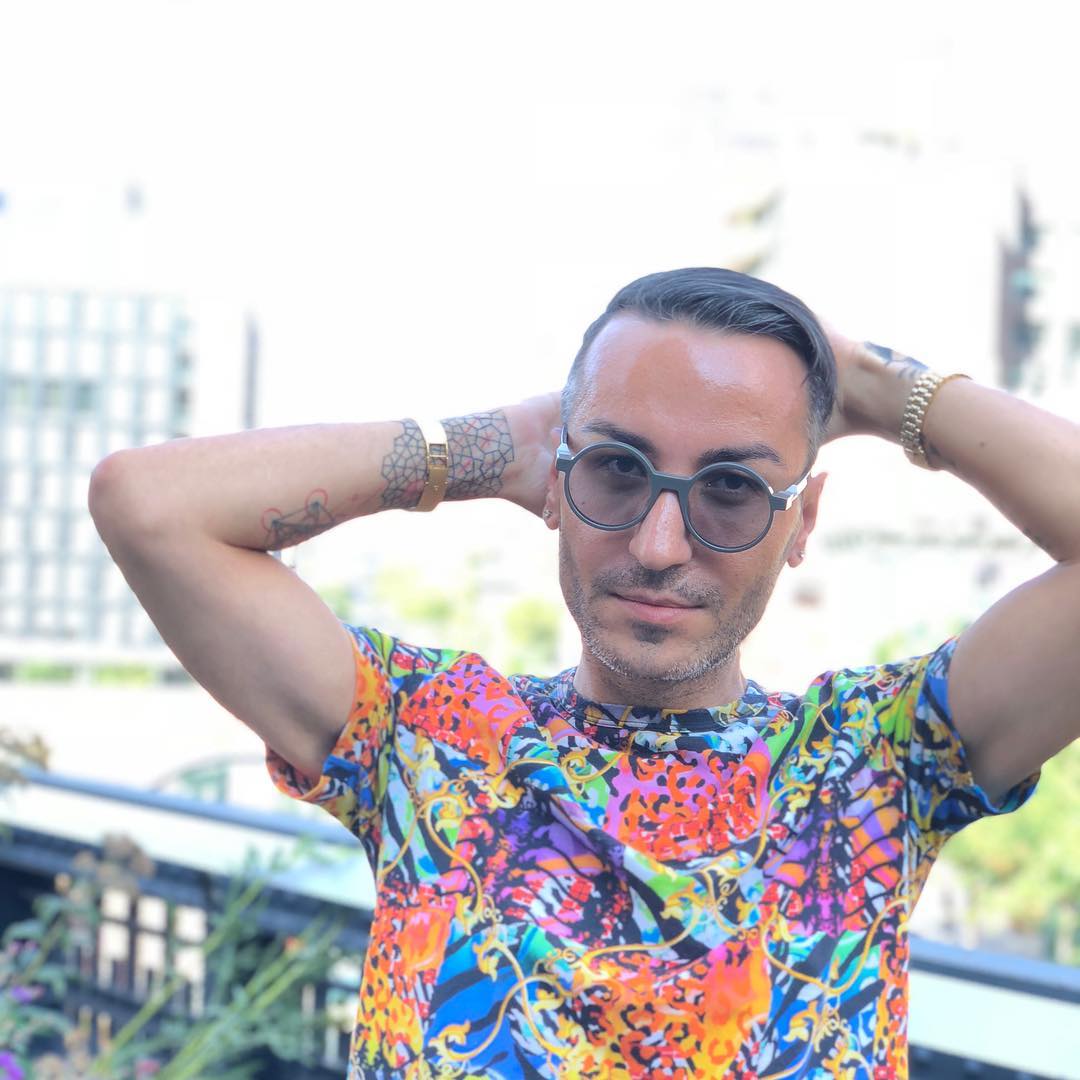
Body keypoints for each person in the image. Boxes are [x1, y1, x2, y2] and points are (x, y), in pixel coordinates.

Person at [89, 268, 1079, 1079]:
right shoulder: (430, 735)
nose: (658, 544)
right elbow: (149, 505)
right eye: (617, 470)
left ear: (801, 521)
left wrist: (874, 384)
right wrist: (488, 448)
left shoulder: (872, 765)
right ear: (557, 483)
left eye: (732, 489)